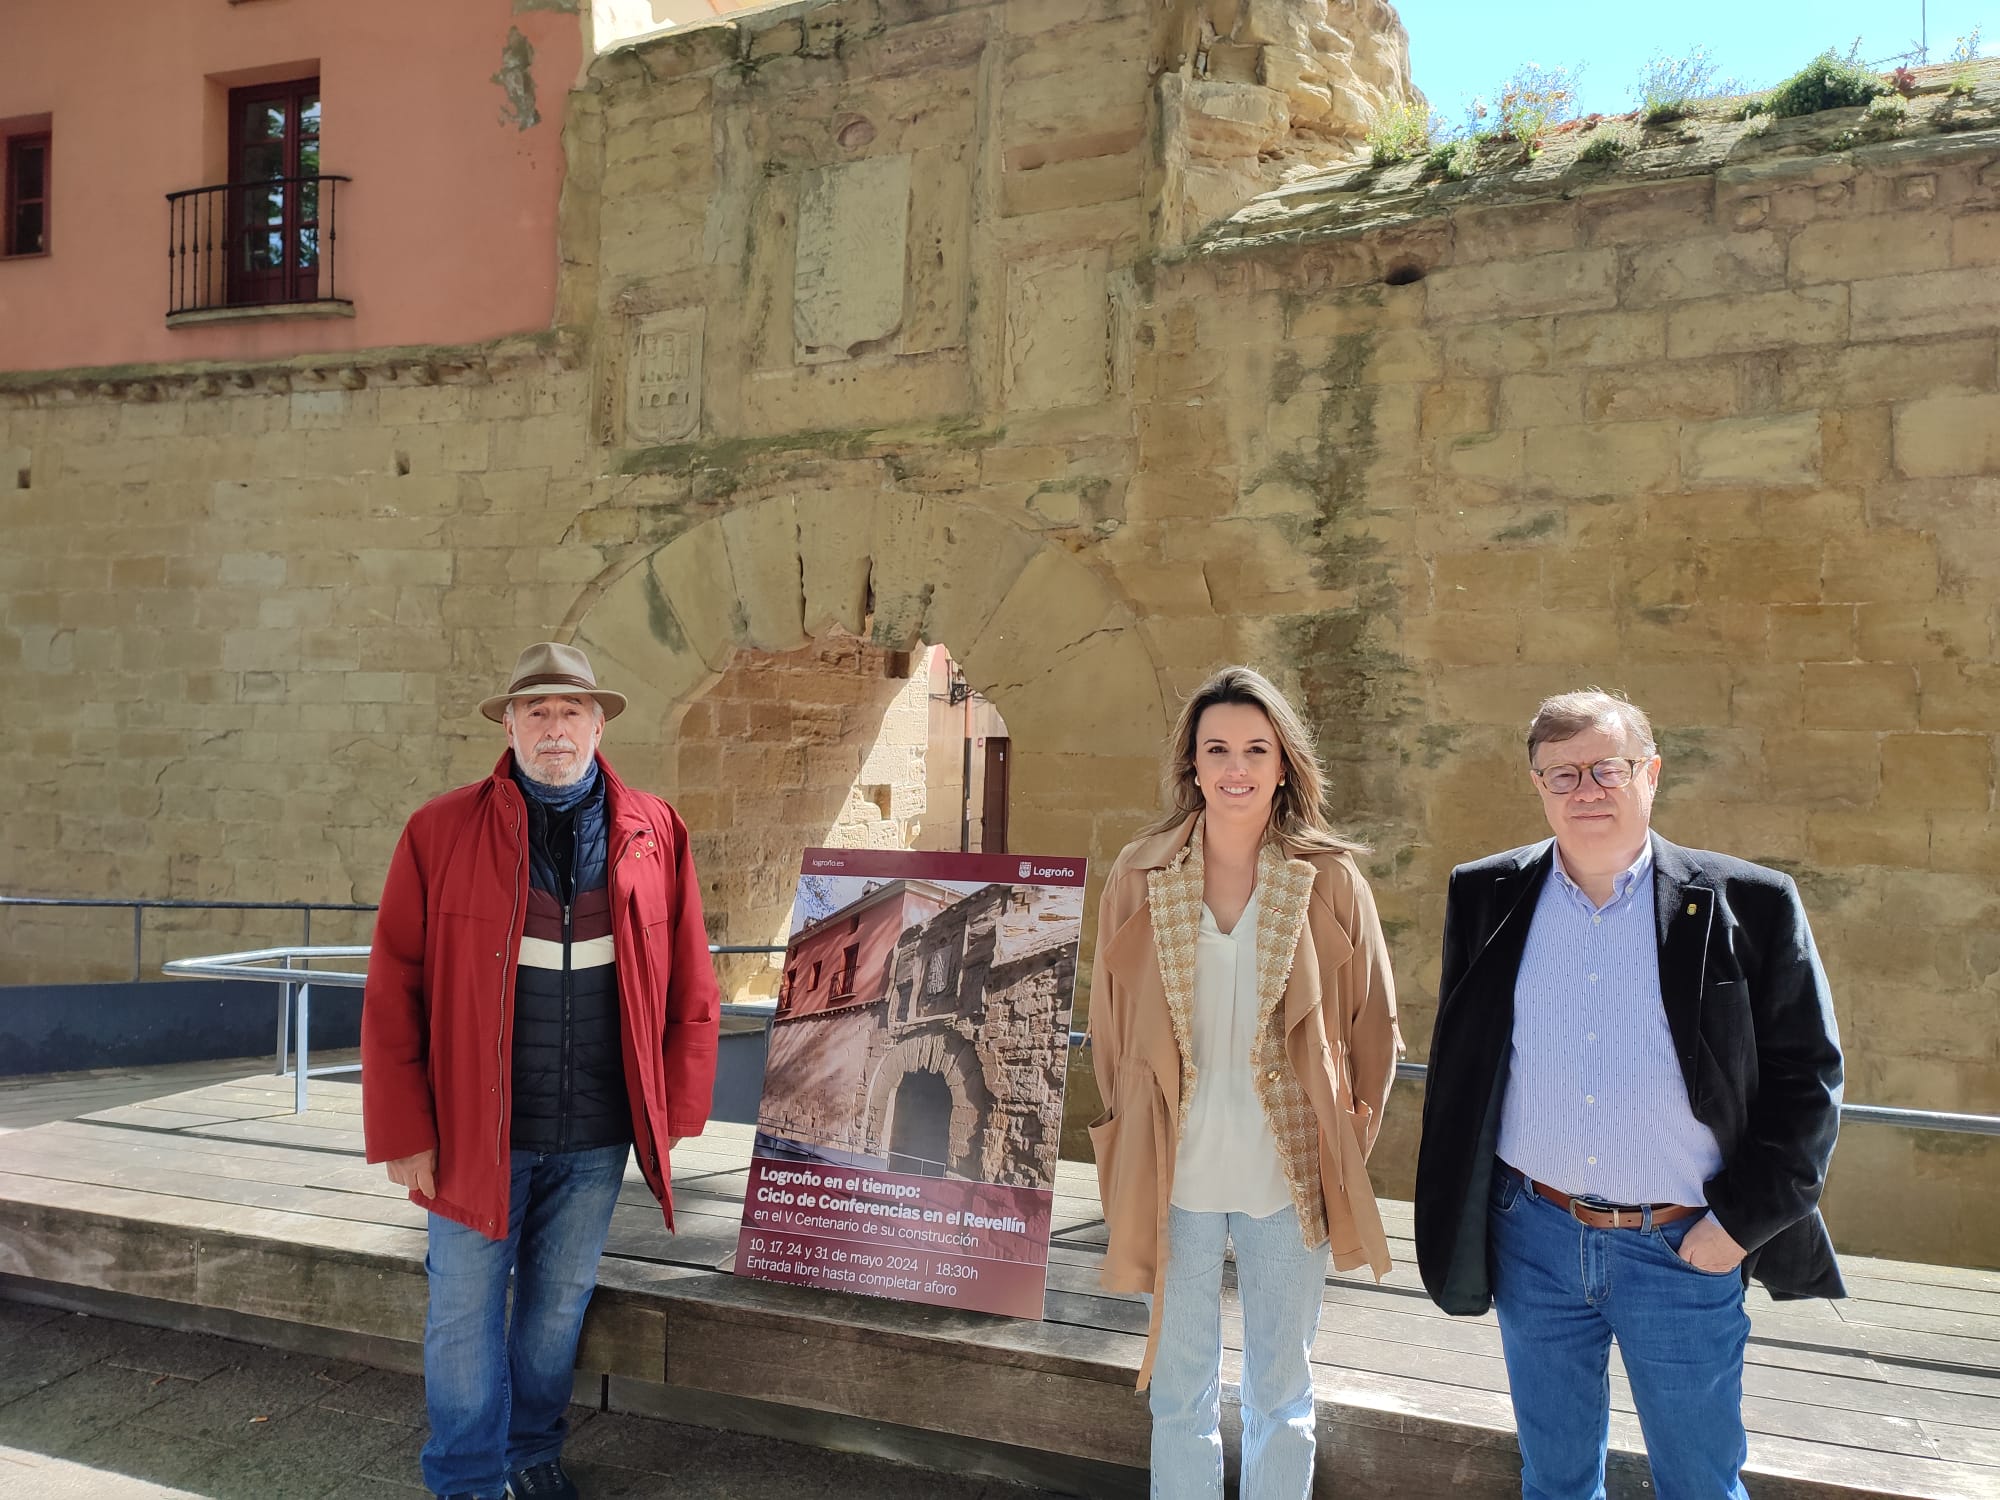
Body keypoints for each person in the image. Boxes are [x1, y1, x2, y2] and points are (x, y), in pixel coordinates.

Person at [1414, 689, 1844, 1500]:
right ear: (1537, 786)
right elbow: (1463, 1065)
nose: (1585, 791)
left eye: (1605, 769)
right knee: (1555, 1482)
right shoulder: (1486, 892)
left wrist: (1734, 1230)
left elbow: (1808, 1083)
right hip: (1533, 1237)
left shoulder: (1747, 901)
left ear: (1650, 773)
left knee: (1699, 1486)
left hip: (1681, 1247)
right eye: (1562, 774)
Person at [362, 642, 719, 1500]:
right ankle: (467, 1479)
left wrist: (674, 1108)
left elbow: (691, 978)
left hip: (596, 1133)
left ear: (599, 723)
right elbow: (393, 988)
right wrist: (405, 1133)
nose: (553, 729)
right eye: (536, 712)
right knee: (461, 1311)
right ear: (509, 723)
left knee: (558, 1309)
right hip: (473, 1131)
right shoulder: (439, 830)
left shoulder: (654, 830)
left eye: (569, 712)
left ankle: (530, 1453)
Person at [1087, 665, 1401, 1500]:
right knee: (1178, 1388)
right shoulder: (1141, 872)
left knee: (1282, 1388)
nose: (1236, 766)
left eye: (1256, 749)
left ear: (1284, 764)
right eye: (1217, 747)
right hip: (1176, 1170)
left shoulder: (1329, 877)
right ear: (1191, 763)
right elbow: (1111, 1026)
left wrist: (1345, 1137)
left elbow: (1375, 1026)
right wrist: (1126, 1123)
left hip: (1286, 1172)